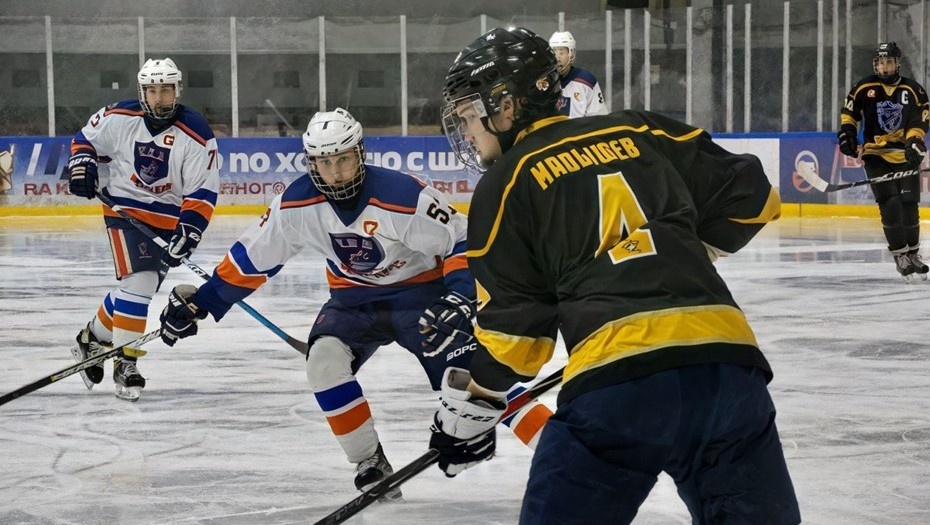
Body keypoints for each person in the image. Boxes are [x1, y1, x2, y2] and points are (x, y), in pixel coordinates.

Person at [429, 27, 801, 524]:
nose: (468, 132)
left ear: (507, 106)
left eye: (469, 115)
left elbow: (517, 340)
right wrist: (680, 251)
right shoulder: (641, 130)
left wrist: (473, 407)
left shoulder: (507, 181)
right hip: (728, 368)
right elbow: (756, 199)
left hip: (619, 387)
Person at [157, 107, 551, 500]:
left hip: (422, 298)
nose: (336, 173)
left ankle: (558, 446)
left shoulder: (404, 196)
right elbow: (253, 258)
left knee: (479, 379)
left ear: (359, 154)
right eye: (325, 163)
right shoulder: (295, 206)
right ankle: (369, 462)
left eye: (343, 159)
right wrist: (204, 301)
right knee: (323, 363)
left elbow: (462, 241)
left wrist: (459, 296)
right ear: (312, 164)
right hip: (353, 301)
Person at [67, 57, 219, 401]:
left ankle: (92, 337)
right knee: (140, 282)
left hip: (168, 219)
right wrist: (83, 162)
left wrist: (190, 229)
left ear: (178, 91)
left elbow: (203, 190)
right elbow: (85, 140)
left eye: (166, 90)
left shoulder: (196, 131)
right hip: (124, 210)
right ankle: (126, 362)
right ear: (142, 92)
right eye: (152, 91)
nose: (159, 98)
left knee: (138, 290)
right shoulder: (120, 116)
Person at [837, 41, 929, 283]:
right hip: (875, 154)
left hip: (904, 155)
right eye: (880, 62)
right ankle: (900, 255)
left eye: (889, 62)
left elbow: (919, 121)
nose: (884, 67)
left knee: (909, 205)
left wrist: (914, 141)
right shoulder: (864, 87)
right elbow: (849, 113)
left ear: (897, 64)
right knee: (890, 203)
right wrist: (848, 133)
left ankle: (913, 253)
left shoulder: (913, 90)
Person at [548, 31, 608, 118]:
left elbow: (599, 118)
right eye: (554, 53)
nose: (557, 58)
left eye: (561, 53)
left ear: (572, 54)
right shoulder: (543, 83)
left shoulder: (586, 81)